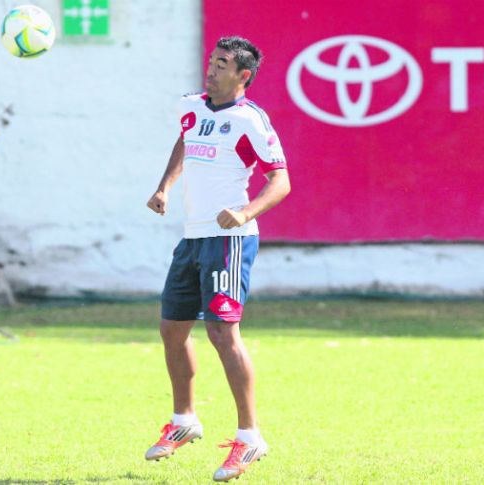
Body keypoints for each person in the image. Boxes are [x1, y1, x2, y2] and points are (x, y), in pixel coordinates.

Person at [144, 36, 291, 482]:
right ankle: (185, 420)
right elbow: (185, 140)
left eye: (222, 64)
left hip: (230, 240)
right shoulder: (191, 105)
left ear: (242, 76)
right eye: (211, 60)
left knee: (222, 333)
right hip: (193, 238)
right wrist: (165, 187)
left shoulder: (250, 121)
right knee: (172, 327)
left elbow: (280, 181)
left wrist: (243, 212)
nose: (211, 69)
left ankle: (250, 438)